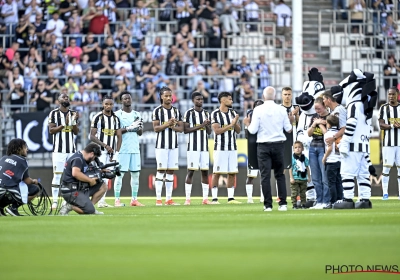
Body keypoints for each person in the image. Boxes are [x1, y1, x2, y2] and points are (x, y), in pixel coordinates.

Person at [243, 86, 293, 211]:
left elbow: (253, 130)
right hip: (278, 144)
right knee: (280, 176)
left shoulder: (258, 110)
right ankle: (282, 204)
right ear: (275, 96)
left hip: (263, 146)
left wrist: (247, 124)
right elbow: (289, 129)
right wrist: (291, 121)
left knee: (265, 176)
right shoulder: (281, 110)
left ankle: (268, 205)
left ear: (264, 97)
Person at [152, 86, 184, 206]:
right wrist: (167, 124)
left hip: (173, 146)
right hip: (161, 146)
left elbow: (181, 128)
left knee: (171, 171)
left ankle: (169, 199)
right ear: (161, 97)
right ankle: (158, 199)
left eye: (170, 95)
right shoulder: (157, 111)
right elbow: (156, 128)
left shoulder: (176, 111)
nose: (169, 98)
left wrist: (172, 126)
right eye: (166, 96)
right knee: (160, 170)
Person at [48, 93, 80, 210]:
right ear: (58, 100)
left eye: (67, 97)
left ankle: (69, 200)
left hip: (71, 150)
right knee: (57, 176)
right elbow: (51, 130)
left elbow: (76, 132)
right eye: (63, 97)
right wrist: (64, 124)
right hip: (59, 150)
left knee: (73, 176)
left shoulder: (73, 113)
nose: (66, 98)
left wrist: (74, 123)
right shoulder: (54, 113)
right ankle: (55, 201)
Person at [113, 91, 145, 207]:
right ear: (121, 101)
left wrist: (139, 126)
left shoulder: (137, 114)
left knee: (135, 175)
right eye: (125, 98)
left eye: (129, 98)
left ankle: (134, 199)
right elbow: (116, 132)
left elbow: (140, 133)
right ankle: (117, 200)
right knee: (120, 175)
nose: (127, 100)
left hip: (135, 148)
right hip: (123, 149)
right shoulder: (117, 115)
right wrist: (130, 127)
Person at [90, 96, 122, 208]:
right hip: (101, 152)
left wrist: (117, 152)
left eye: (110, 104)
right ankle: (96, 199)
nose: (108, 106)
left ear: (113, 105)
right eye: (106, 104)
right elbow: (92, 136)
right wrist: (105, 145)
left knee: (108, 176)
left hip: (112, 152)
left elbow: (119, 136)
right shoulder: (97, 117)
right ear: (103, 104)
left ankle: (102, 201)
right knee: (100, 175)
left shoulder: (115, 119)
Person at [58, 143, 108, 215]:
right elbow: (75, 173)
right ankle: (69, 206)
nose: (93, 160)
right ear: (91, 154)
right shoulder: (78, 159)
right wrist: (90, 180)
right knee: (89, 211)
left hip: (80, 187)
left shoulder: (83, 158)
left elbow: (87, 172)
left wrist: (100, 171)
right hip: (70, 191)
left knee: (103, 186)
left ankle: (90, 207)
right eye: (94, 157)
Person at [210, 91, 242, 204]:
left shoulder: (233, 112)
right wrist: (231, 125)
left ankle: (231, 198)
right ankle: (214, 198)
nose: (232, 101)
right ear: (223, 100)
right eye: (229, 99)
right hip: (220, 148)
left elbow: (238, 131)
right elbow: (217, 131)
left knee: (232, 172)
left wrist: (236, 123)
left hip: (232, 147)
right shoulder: (215, 114)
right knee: (217, 172)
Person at [183, 92, 212, 205]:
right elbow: (186, 130)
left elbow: (209, 132)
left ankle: (205, 198)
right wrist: (201, 125)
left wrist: (207, 125)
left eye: (201, 99)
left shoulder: (206, 113)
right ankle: (188, 199)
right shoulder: (189, 113)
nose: (200, 101)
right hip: (193, 147)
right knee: (191, 171)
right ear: (193, 101)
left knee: (205, 172)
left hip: (204, 147)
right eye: (198, 99)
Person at [0, 138, 39, 216]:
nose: (27, 149)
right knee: (35, 189)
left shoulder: (3, 158)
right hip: (6, 192)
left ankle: (0, 208)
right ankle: (13, 208)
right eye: (25, 147)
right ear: (19, 149)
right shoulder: (22, 161)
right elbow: (27, 181)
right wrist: (34, 181)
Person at [307, 97, 330, 209]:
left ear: (324, 106)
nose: (317, 111)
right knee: (315, 177)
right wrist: (314, 123)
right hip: (312, 147)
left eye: (319, 108)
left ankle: (326, 201)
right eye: (315, 108)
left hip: (323, 148)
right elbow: (309, 133)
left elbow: (327, 134)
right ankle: (319, 200)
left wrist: (319, 124)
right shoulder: (314, 117)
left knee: (324, 177)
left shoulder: (329, 117)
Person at [379, 86, 400, 200]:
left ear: (397, 94)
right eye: (389, 94)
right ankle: (385, 194)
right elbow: (381, 125)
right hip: (388, 144)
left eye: (393, 94)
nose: (391, 96)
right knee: (386, 169)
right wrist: (392, 126)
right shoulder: (383, 108)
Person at [244, 99, 264, 204]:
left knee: (263, 174)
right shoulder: (249, 118)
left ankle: (263, 197)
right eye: (256, 105)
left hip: (264, 148)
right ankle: (249, 198)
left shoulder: (267, 119)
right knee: (250, 175)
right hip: (253, 148)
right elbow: (247, 135)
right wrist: (249, 126)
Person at [322, 115, 342, 208]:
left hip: (331, 161)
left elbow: (329, 148)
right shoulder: (339, 133)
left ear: (328, 124)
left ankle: (332, 201)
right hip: (339, 160)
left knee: (331, 183)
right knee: (339, 182)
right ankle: (340, 200)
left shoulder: (327, 135)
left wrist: (324, 157)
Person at [281, 86, 300, 169]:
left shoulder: (296, 108)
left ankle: (297, 182)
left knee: (297, 164)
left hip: (295, 139)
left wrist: (296, 115)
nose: (287, 96)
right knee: (283, 164)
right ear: (282, 95)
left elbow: (301, 123)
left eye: (289, 94)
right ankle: (279, 182)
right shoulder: (278, 109)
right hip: (283, 139)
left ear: (292, 95)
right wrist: (289, 121)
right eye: (285, 94)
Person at [289, 141, 311, 209]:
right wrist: (291, 178)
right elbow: (290, 168)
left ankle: (303, 204)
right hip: (295, 178)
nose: (297, 149)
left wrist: (309, 177)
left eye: (299, 147)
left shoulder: (305, 158)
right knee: (294, 192)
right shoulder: (292, 159)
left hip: (303, 178)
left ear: (302, 149)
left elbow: (307, 168)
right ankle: (294, 204)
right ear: (293, 149)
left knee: (303, 193)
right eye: (295, 147)